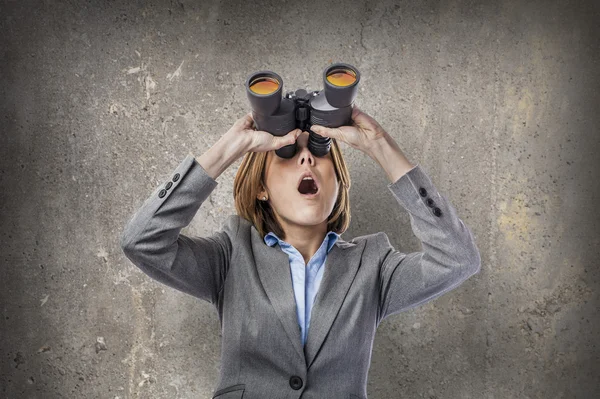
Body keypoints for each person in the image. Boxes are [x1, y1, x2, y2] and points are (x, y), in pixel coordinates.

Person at [120, 105, 481, 399]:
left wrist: (381, 147)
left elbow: (458, 258)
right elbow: (142, 241)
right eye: (288, 153)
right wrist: (229, 148)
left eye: (320, 153)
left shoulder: (373, 266)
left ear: (338, 184)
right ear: (261, 188)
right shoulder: (231, 256)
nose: (307, 160)